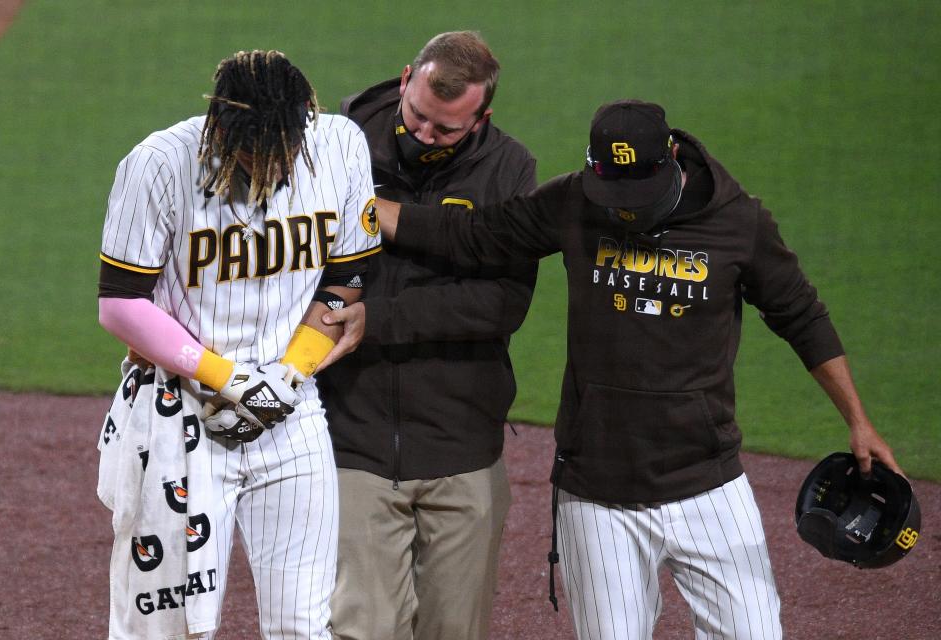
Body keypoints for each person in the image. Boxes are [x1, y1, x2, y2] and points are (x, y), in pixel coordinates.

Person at [334, 100, 903, 640]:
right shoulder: (575, 202)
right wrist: (365, 205)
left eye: (640, 192)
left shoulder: (737, 222)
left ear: (673, 160)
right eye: (613, 191)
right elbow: (476, 236)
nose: (625, 207)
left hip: (707, 483)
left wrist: (858, 419)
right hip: (596, 493)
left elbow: (801, 316)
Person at [96, 50, 379, 639]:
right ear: (221, 129)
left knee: (304, 624)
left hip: (290, 414)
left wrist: (287, 374)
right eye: (255, 154)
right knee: (168, 629)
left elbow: (345, 282)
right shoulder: (159, 164)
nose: (272, 169)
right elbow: (121, 303)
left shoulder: (339, 146)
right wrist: (229, 378)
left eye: (282, 151)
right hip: (179, 416)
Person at [314, 31, 538, 640]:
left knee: (454, 632)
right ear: (406, 77)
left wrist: (376, 321)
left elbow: (500, 303)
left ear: (481, 117)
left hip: (461, 445)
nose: (424, 137)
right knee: (359, 628)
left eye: (447, 131)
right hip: (353, 439)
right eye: (417, 118)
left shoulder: (509, 169)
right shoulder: (339, 147)